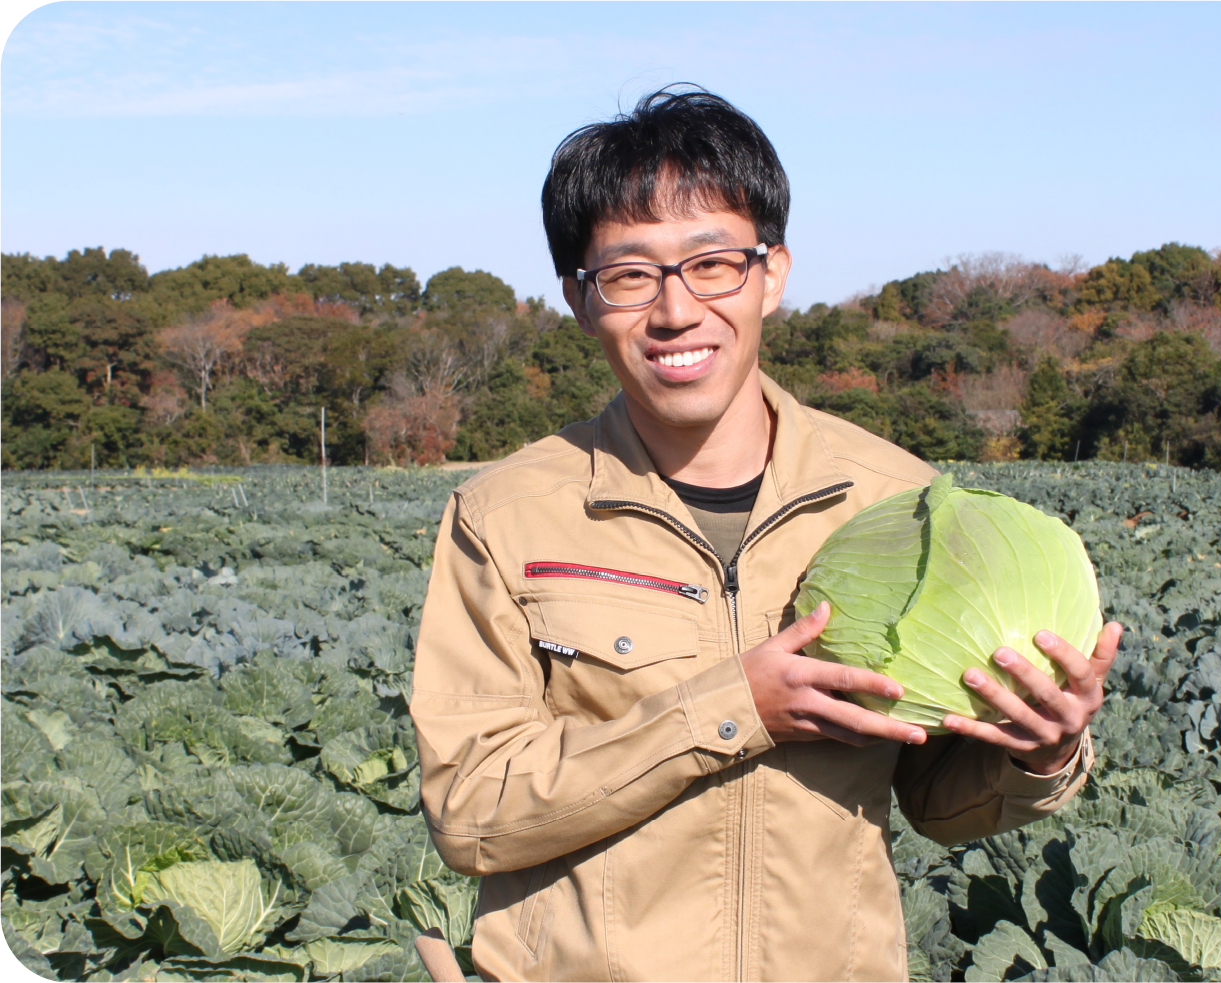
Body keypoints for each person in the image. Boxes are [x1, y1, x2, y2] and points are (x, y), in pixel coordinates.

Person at [409, 85, 1122, 983]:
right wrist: (730, 708)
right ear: (580, 300)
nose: (675, 310)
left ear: (772, 273)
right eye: (629, 274)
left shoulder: (896, 502)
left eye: (713, 263)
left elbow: (939, 801)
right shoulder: (507, 517)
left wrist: (1040, 751)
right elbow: (473, 809)